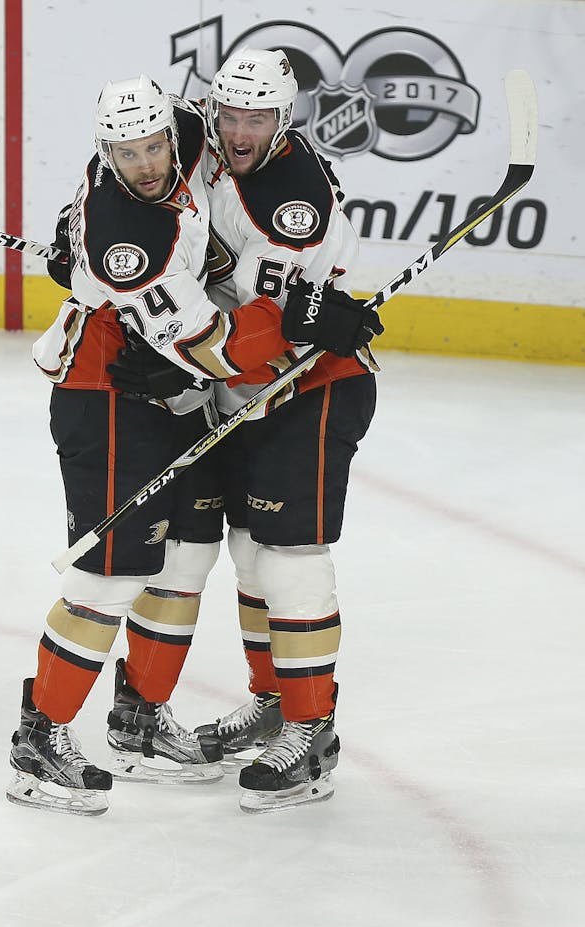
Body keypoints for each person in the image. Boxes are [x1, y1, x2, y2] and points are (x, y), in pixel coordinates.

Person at [10, 74, 375, 817]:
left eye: (154, 147)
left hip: (233, 391)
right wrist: (299, 319)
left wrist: (309, 313)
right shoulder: (135, 239)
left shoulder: (195, 139)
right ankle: (41, 736)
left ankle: (167, 723)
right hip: (125, 386)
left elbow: (235, 325)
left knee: (209, 552)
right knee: (115, 572)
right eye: (128, 153)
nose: (147, 163)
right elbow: (207, 343)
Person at [109, 48, 382, 813]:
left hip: (311, 383)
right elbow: (121, 158)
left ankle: (311, 730)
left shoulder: (293, 199)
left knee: (290, 558)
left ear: (283, 116)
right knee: (249, 558)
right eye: (227, 113)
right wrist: (90, 236)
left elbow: (279, 329)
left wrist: (187, 367)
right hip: (235, 387)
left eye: (255, 117)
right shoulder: (191, 139)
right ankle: (271, 700)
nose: (236, 129)